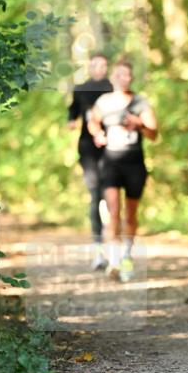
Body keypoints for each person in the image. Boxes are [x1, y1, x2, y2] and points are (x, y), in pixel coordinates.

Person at [86, 59, 157, 283]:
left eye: (126, 75)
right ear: (112, 78)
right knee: (113, 210)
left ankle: (127, 255)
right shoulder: (104, 101)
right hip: (110, 162)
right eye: (118, 75)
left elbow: (154, 134)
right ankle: (114, 260)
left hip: (134, 162)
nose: (121, 78)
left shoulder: (140, 102)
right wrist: (97, 133)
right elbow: (92, 121)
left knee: (131, 212)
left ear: (131, 78)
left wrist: (140, 124)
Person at [67, 52, 112, 269]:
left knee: (111, 197)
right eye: (95, 65)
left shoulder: (114, 89)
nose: (99, 69)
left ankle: (116, 249)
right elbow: (73, 109)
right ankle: (98, 252)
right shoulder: (81, 89)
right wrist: (71, 121)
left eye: (103, 65)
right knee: (96, 195)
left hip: (113, 149)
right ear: (90, 67)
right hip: (88, 150)